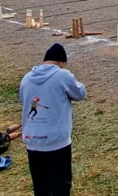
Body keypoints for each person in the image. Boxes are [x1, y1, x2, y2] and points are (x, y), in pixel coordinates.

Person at [20, 43, 86, 196]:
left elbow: (22, 98)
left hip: (33, 141)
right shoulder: (63, 75)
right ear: (61, 62)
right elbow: (80, 93)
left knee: (40, 186)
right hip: (57, 141)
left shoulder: (26, 78)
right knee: (61, 185)